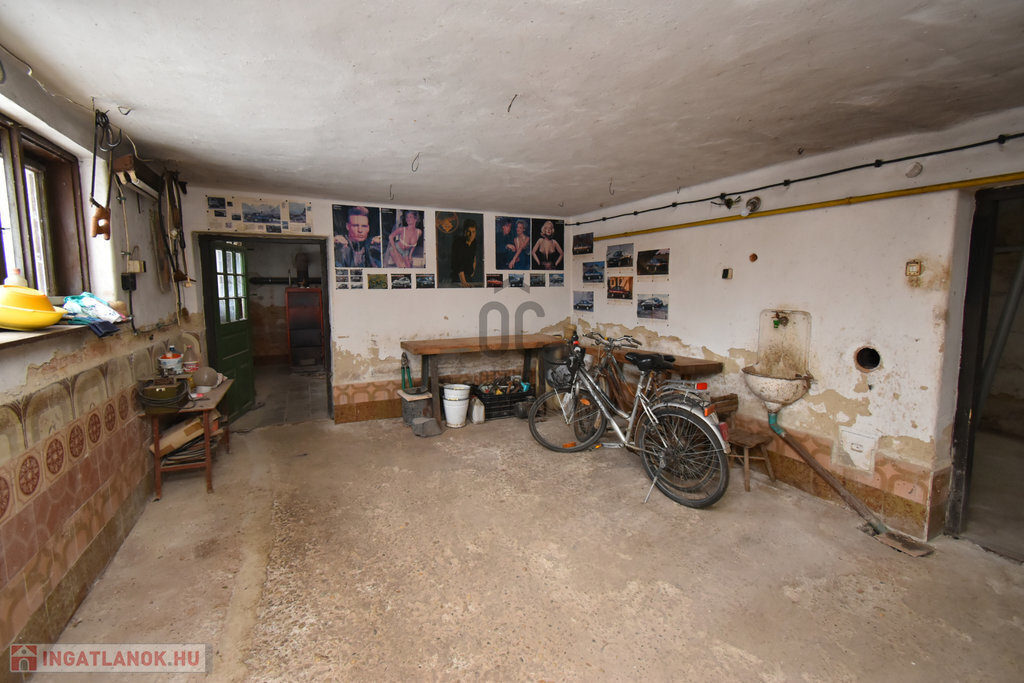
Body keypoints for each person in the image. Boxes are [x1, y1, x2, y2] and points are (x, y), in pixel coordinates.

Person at [450, 220, 479, 287]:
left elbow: (474, 257)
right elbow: (459, 265)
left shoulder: (474, 242)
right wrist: (464, 282)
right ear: (464, 232)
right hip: (458, 278)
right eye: (469, 232)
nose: (471, 235)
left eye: (473, 232)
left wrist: (473, 271)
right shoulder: (458, 243)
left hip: (470, 277)